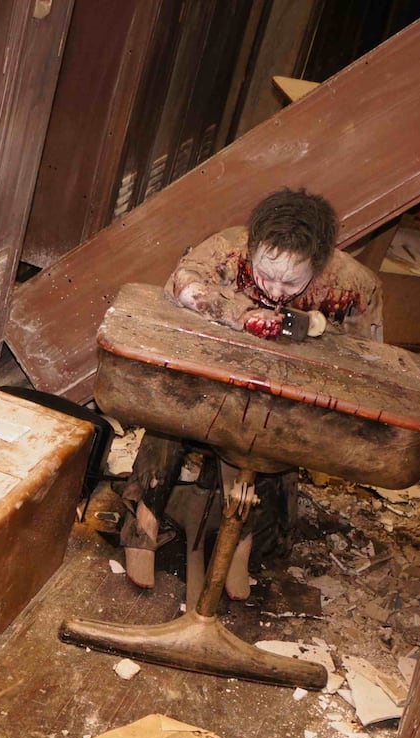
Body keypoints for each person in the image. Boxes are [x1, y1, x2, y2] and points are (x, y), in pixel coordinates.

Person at [119, 188, 384, 591]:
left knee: (272, 454)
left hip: (284, 396)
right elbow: (183, 284)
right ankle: (144, 521)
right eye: (266, 275)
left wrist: (322, 340)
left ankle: (241, 539)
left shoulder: (353, 286)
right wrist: (240, 314)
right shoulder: (228, 249)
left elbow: (370, 359)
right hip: (211, 378)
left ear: (319, 263)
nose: (276, 291)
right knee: (170, 413)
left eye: (291, 281)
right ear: (254, 246)